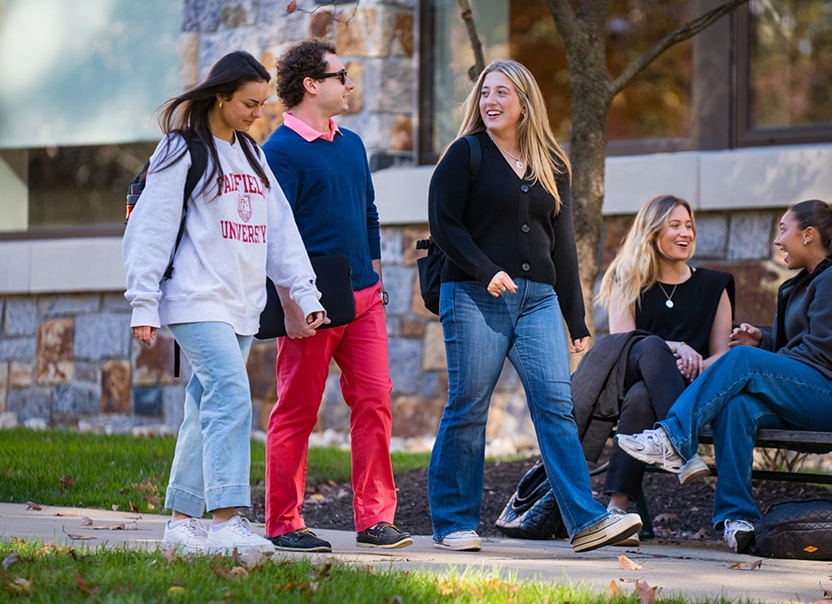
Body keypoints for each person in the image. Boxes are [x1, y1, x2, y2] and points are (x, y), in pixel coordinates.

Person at [427, 59, 642, 553]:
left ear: (526, 103)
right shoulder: (466, 153)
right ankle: (454, 523)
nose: (491, 102)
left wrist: (575, 316)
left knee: (556, 407)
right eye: (485, 93)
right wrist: (487, 270)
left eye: (503, 93)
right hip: (475, 295)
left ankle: (585, 520)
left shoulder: (552, 162)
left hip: (540, 300)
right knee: (468, 406)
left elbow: (562, 245)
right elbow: (444, 225)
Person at [123, 50, 327, 556]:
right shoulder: (182, 149)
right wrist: (143, 302)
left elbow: (279, 230)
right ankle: (228, 520)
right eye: (248, 103)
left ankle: (181, 524)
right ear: (220, 96)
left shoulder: (252, 154)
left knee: (203, 406)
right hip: (194, 300)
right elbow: (150, 228)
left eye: (263, 104)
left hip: (240, 304)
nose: (258, 113)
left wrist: (304, 292)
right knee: (232, 396)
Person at [616, 199, 832, 553]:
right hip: (803, 394)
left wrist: (760, 358)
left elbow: (825, 352)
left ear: (809, 234)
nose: (778, 240)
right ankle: (738, 518)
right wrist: (764, 341)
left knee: (742, 360)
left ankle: (674, 436)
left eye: (784, 230)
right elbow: (799, 345)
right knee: (737, 406)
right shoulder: (798, 285)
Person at [262, 40, 412, 552]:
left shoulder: (350, 144)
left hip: (365, 299)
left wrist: (372, 274)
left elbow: (368, 212)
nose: (349, 85)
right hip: (310, 304)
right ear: (311, 84)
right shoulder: (277, 153)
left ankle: (376, 520)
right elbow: (273, 236)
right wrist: (290, 304)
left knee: (375, 403)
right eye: (340, 75)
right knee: (298, 410)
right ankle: (284, 522)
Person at [594, 194, 734, 544]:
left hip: (694, 389)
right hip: (637, 374)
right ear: (653, 232)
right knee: (648, 361)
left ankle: (617, 509)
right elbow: (624, 344)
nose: (685, 232)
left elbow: (722, 355)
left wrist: (696, 363)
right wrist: (676, 347)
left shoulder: (714, 286)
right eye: (675, 225)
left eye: (689, 226)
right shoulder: (628, 281)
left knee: (642, 399)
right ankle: (685, 451)